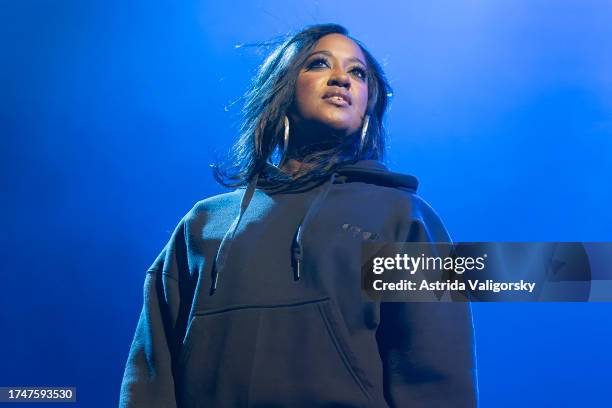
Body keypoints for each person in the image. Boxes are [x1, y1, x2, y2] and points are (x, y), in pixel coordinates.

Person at [119, 23, 477, 408]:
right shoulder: (203, 225)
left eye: (358, 72)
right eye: (319, 64)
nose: (342, 78)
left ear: (370, 104)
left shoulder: (402, 217)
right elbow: (149, 381)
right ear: (282, 88)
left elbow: (436, 381)